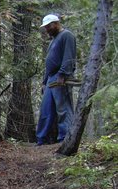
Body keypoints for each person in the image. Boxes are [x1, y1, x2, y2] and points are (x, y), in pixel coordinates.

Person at [36, 14, 77, 145]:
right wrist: (44, 82)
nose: (47, 29)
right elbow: (49, 63)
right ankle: (41, 140)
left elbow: (69, 56)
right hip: (51, 78)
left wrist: (63, 74)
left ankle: (65, 139)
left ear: (56, 23)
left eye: (48, 26)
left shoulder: (67, 36)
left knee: (63, 108)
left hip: (61, 77)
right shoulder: (53, 40)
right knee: (46, 109)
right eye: (46, 27)